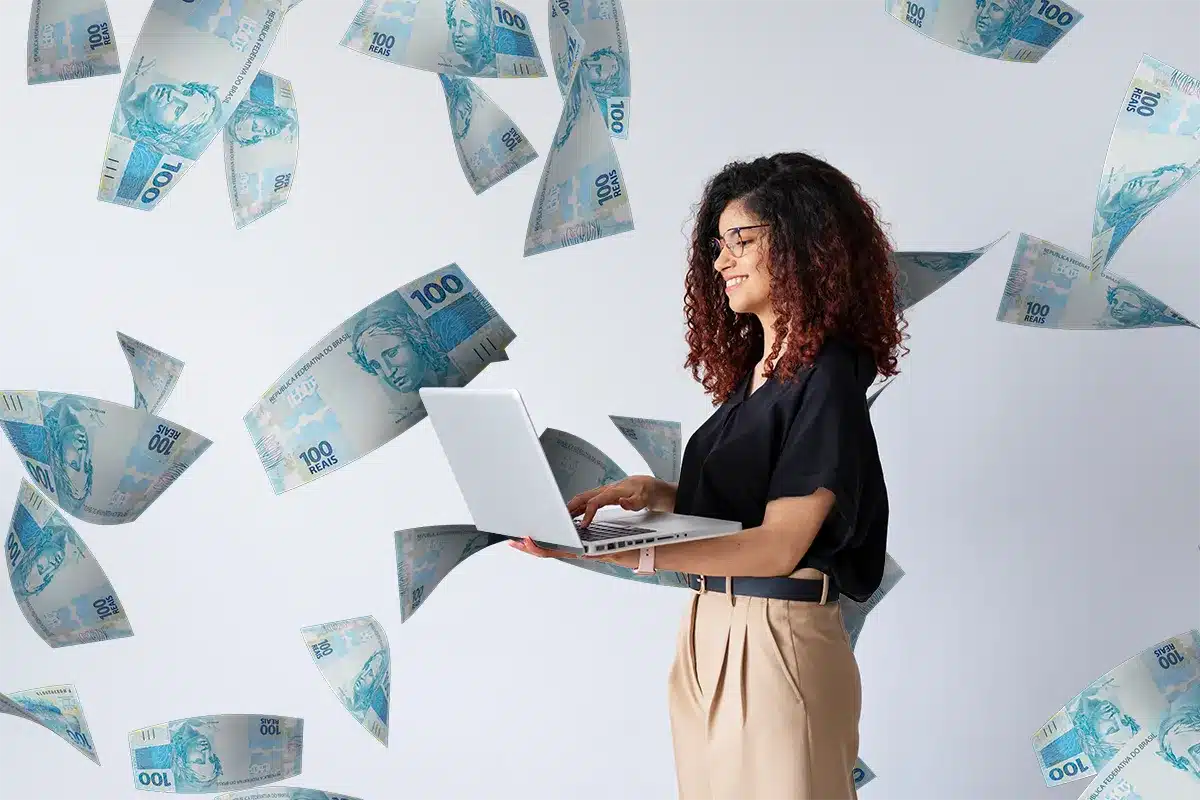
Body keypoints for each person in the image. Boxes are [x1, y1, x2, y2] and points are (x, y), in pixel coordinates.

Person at [511, 152, 905, 799]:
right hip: (707, 629)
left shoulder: (828, 373)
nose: (721, 261)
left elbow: (779, 546)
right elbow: (753, 508)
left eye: (740, 240)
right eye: (717, 245)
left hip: (778, 641)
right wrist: (657, 496)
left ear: (803, 243)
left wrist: (620, 549)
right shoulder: (758, 374)